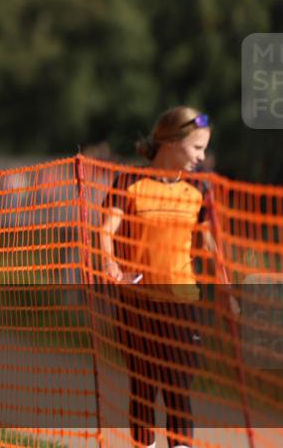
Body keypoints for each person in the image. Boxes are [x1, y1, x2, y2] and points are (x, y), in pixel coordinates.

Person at [100, 106, 232, 448]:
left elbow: (208, 244)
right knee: (143, 387)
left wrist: (224, 287)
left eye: (204, 149)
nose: (201, 157)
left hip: (182, 301)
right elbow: (105, 229)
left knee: (178, 389)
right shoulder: (128, 181)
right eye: (197, 148)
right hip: (138, 302)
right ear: (172, 142)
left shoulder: (198, 190)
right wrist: (110, 264)